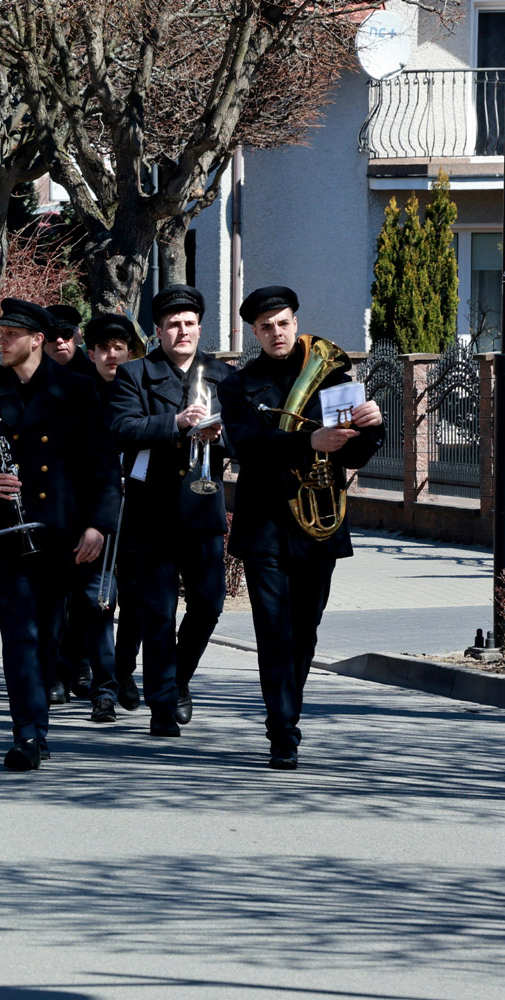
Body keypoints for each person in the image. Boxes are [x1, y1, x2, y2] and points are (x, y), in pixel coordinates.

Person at [0, 298, 119, 771]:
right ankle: (27, 732)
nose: (0, 341)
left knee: (49, 634)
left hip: (60, 532)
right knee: (18, 633)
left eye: (10, 334)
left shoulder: (77, 390)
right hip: (8, 533)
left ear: (36, 340)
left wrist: (98, 524)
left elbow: (103, 466)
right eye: (0, 333)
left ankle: (37, 722)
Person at [218, 285, 384, 769]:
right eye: (266, 327)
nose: (277, 332)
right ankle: (282, 731)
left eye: (284, 322)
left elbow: (352, 450)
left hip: (319, 525)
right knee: (273, 631)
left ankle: (287, 714)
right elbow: (246, 447)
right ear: (254, 332)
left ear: (294, 321)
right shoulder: (239, 386)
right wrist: (311, 439)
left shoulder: (332, 374)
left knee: (305, 631)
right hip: (266, 523)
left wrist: (371, 427)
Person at [109, 285, 234, 735]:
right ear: (159, 331)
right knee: (157, 612)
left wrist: (219, 436)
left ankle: (178, 679)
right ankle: (162, 703)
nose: (182, 331)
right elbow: (122, 428)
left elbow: (244, 436)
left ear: (200, 328)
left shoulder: (222, 375)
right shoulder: (135, 374)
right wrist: (176, 423)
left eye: (189, 324)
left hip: (202, 507)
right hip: (153, 509)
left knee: (209, 604)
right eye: (173, 325)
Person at [82, 313, 145, 710]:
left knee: (137, 600)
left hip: (139, 508)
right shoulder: (80, 394)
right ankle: (102, 686)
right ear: (92, 354)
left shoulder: (142, 388)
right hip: (96, 513)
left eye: (119, 348)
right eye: (104, 349)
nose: (111, 356)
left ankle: (124, 671)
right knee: (99, 601)